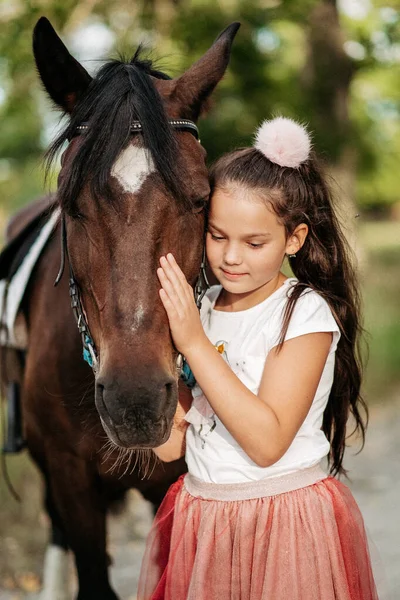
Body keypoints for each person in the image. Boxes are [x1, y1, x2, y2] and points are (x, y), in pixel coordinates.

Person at [137, 117, 378, 600]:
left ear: (294, 239)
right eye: (217, 235)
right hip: (206, 519)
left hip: (283, 523)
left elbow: (267, 443)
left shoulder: (302, 313)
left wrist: (196, 345)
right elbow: (170, 448)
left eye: (253, 243)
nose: (230, 258)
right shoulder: (201, 308)